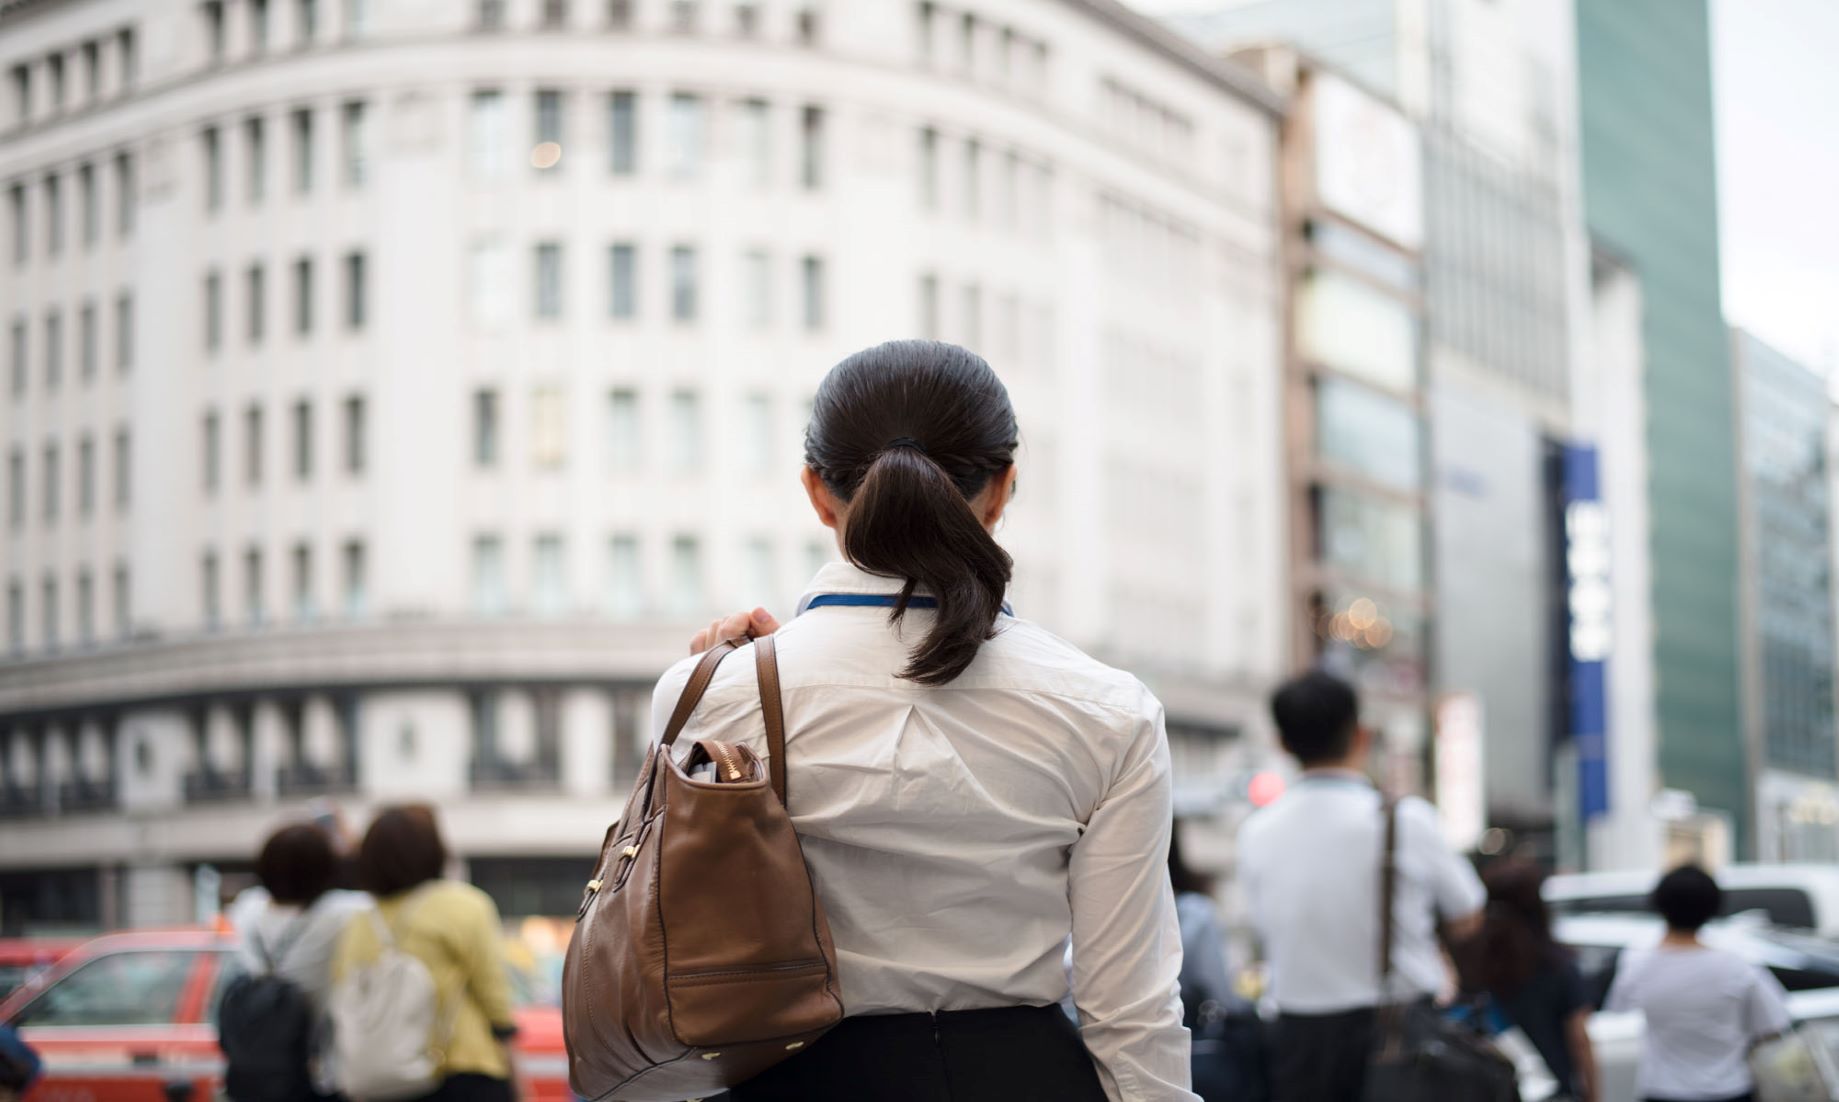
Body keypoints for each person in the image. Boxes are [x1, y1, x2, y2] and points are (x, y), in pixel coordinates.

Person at [666, 340, 1194, 1101]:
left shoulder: (711, 694)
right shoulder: (1109, 710)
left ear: (817, 492)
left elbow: (682, 938)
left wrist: (706, 685)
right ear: (1002, 488)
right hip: (1025, 1077)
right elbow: (1130, 1005)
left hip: (795, 1076)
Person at [1236, 669, 1486, 1102]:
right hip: (1400, 1037)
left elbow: (1262, 929)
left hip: (1297, 1043)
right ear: (1360, 734)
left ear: (1281, 742)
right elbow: (1468, 915)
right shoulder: (1406, 820)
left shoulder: (1256, 832)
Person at [332, 806, 519, 1102]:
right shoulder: (464, 905)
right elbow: (494, 996)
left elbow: (345, 997)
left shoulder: (359, 922)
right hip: (464, 1070)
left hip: (386, 1080)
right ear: (434, 849)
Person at [1605, 864, 1790, 1102]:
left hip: (1662, 1090)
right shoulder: (1735, 964)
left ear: (1659, 904)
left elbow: (1616, 1009)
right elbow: (1774, 1024)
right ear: (1712, 907)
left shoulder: (1637, 962)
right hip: (1729, 1089)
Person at [224, 822, 373, 1099]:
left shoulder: (247, 910)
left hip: (258, 1071)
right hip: (318, 1072)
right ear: (327, 868)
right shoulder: (341, 914)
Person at [1470, 859, 1598, 1102]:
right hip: (1552, 1092)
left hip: (1493, 1091)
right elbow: (1580, 1041)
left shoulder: (1474, 966)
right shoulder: (1557, 966)